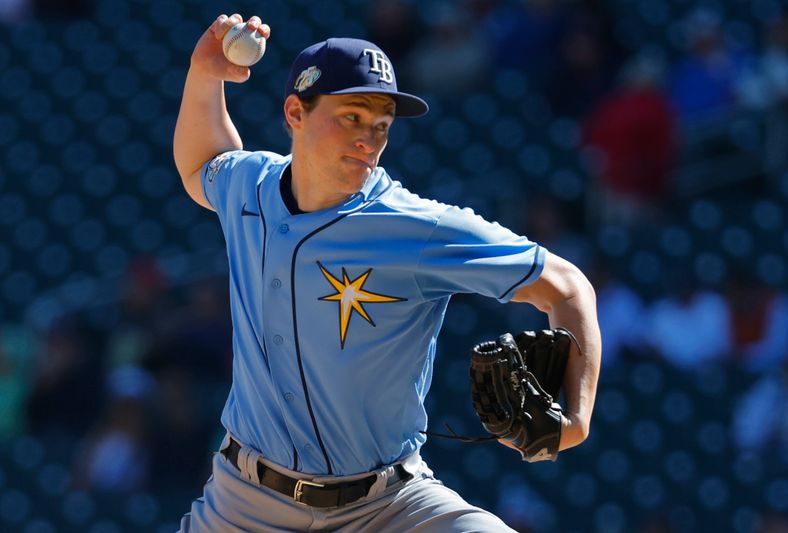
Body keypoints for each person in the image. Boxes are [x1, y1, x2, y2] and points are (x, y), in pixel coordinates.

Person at [173, 13, 601, 532]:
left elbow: (567, 285)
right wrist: (205, 74)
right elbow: (203, 164)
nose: (368, 138)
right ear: (295, 112)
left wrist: (575, 417)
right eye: (351, 116)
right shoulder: (251, 187)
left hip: (388, 507)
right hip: (246, 506)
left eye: (380, 126)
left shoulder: (416, 227)